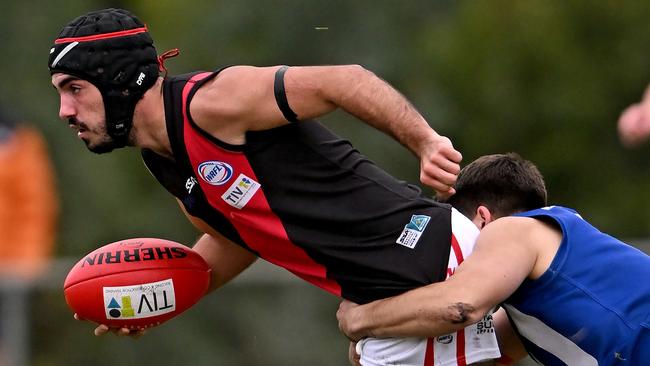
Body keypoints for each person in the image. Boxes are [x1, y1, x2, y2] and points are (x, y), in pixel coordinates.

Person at [49, 8, 500, 365]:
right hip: (393, 289)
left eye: (75, 89)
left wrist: (424, 142)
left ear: (122, 81)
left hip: (428, 256)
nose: (65, 110)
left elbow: (345, 80)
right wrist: (156, 297)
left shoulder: (211, 102)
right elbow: (239, 240)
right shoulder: (160, 157)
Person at [337, 153, 650, 365]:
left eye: (453, 230)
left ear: (482, 218)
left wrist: (362, 319)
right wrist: (378, 346)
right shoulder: (532, 312)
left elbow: (458, 306)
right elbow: (478, 351)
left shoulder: (514, 230)